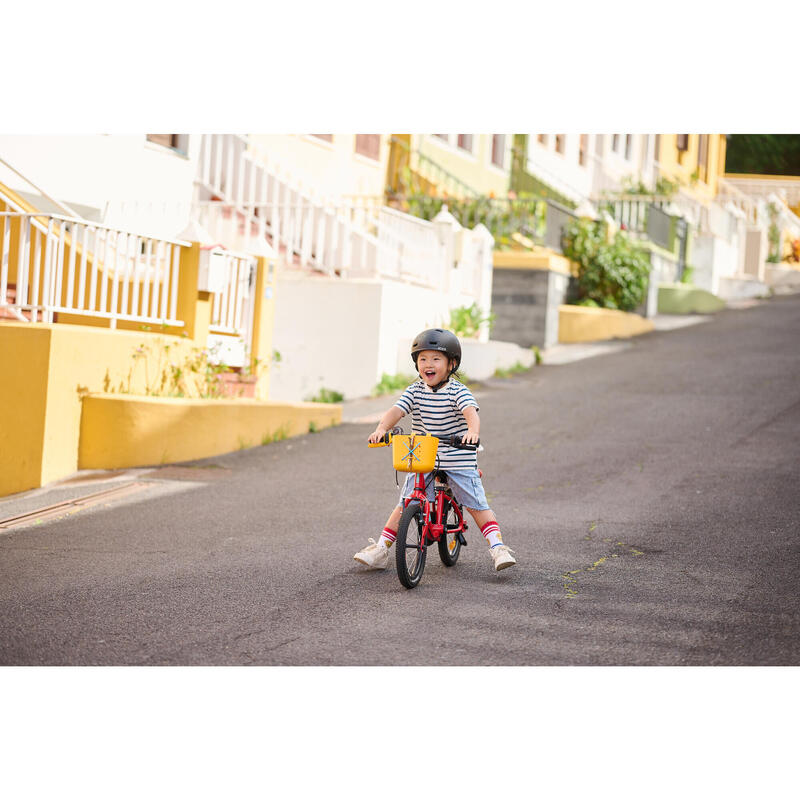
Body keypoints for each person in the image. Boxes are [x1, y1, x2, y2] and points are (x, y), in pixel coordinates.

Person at [354, 328, 517, 573]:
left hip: (456, 454)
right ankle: (381, 548)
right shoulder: (415, 391)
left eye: (436, 359)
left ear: (451, 364)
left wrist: (471, 432)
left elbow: (470, 413)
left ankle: (498, 547)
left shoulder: (457, 390)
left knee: (475, 503)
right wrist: (381, 429)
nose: (428, 364)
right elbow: (396, 412)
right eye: (422, 359)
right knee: (406, 502)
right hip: (422, 454)